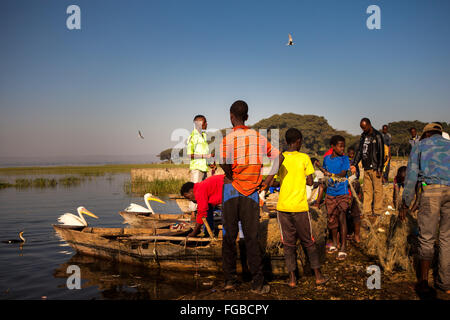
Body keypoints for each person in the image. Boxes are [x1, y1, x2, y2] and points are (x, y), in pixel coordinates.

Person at [219, 100, 279, 294]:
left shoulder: (228, 138)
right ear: (247, 117)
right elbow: (279, 157)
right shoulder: (258, 137)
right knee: (252, 238)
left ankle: (229, 280)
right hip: (250, 192)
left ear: (231, 116)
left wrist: (230, 175)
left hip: (230, 190)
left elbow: (221, 161)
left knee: (229, 236)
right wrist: (268, 181)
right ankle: (258, 283)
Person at [266, 129, 328, 287]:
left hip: (283, 207)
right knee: (309, 242)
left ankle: (292, 279)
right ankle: (318, 276)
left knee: (288, 244)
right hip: (299, 207)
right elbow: (309, 181)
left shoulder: (281, 158)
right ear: (299, 141)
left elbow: (277, 181)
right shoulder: (304, 158)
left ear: (287, 141)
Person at [400, 122, 450, 295]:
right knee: (446, 239)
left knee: (427, 239)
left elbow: (411, 175)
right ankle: (444, 283)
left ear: (426, 134)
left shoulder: (420, 145)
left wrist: (405, 202)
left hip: (432, 191)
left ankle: (423, 284)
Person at [323, 135, 351, 259]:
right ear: (333, 147)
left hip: (342, 192)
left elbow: (343, 173)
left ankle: (343, 246)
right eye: (340, 146)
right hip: (330, 193)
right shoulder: (326, 159)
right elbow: (325, 174)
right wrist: (325, 173)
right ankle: (334, 243)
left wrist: (332, 174)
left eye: (343, 146)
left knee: (342, 217)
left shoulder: (345, 159)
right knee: (332, 219)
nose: (342, 149)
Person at [351, 118, 385, 216]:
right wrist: (354, 164)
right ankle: (367, 211)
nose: (363, 130)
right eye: (362, 128)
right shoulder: (363, 136)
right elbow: (359, 152)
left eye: (365, 127)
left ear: (369, 125)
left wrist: (380, 168)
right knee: (367, 190)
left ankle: (378, 211)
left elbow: (381, 153)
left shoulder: (377, 135)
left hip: (375, 168)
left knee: (378, 190)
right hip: (366, 168)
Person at [186, 115, 213, 216]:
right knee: (195, 190)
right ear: (199, 124)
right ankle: (193, 214)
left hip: (204, 168)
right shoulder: (192, 137)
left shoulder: (204, 136)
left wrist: (210, 163)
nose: (206, 124)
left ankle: (201, 213)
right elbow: (190, 155)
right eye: (205, 122)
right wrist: (205, 156)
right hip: (197, 168)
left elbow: (205, 153)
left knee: (203, 192)